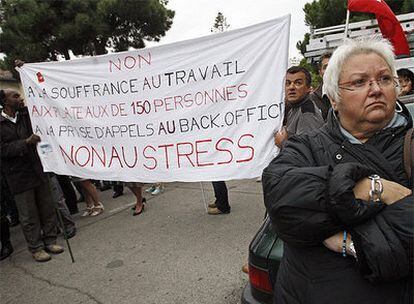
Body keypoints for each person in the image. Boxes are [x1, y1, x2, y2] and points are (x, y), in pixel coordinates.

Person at [263, 37, 413, 304]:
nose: (376, 89)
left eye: (385, 79)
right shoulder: (306, 146)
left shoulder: (410, 146)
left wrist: (350, 243)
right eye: (359, 82)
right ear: (333, 98)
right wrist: (370, 187)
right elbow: (281, 201)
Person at [0, 89, 64, 262]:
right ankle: (36, 248)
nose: (20, 98)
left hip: (38, 169)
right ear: (5, 101)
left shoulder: (27, 115)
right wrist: (25, 143)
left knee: (47, 208)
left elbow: (41, 107)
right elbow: (3, 150)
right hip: (18, 177)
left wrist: (24, 72)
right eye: (15, 96)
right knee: (29, 215)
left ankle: (51, 240)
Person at [274, 66, 324, 148]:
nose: (291, 87)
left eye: (298, 83)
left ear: (308, 88)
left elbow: (308, 150)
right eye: (288, 83)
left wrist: (283, 143)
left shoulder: (307, 113)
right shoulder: (294, 108)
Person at [311, 52, 332, 120]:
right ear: (320, 73)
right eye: (326, 67)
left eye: (333, 66)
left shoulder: (349, 95)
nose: (329, 70)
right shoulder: (311, 100)